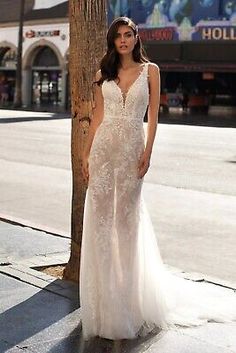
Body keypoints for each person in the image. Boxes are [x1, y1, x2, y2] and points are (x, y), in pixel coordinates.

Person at [80, 16, 236, 342]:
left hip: (131, 152)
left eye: (128, 35)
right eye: (118, 36)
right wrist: (85, 154)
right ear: (113, 41)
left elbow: (153, 116)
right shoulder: (103, 74)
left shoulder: (151, 71)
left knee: (126, 225)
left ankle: (127, 303)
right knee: (99, 225)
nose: (123, 40)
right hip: (103, 153)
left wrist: (148, 152)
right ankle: (101, 303)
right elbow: (97, 116)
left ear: (136, 38)